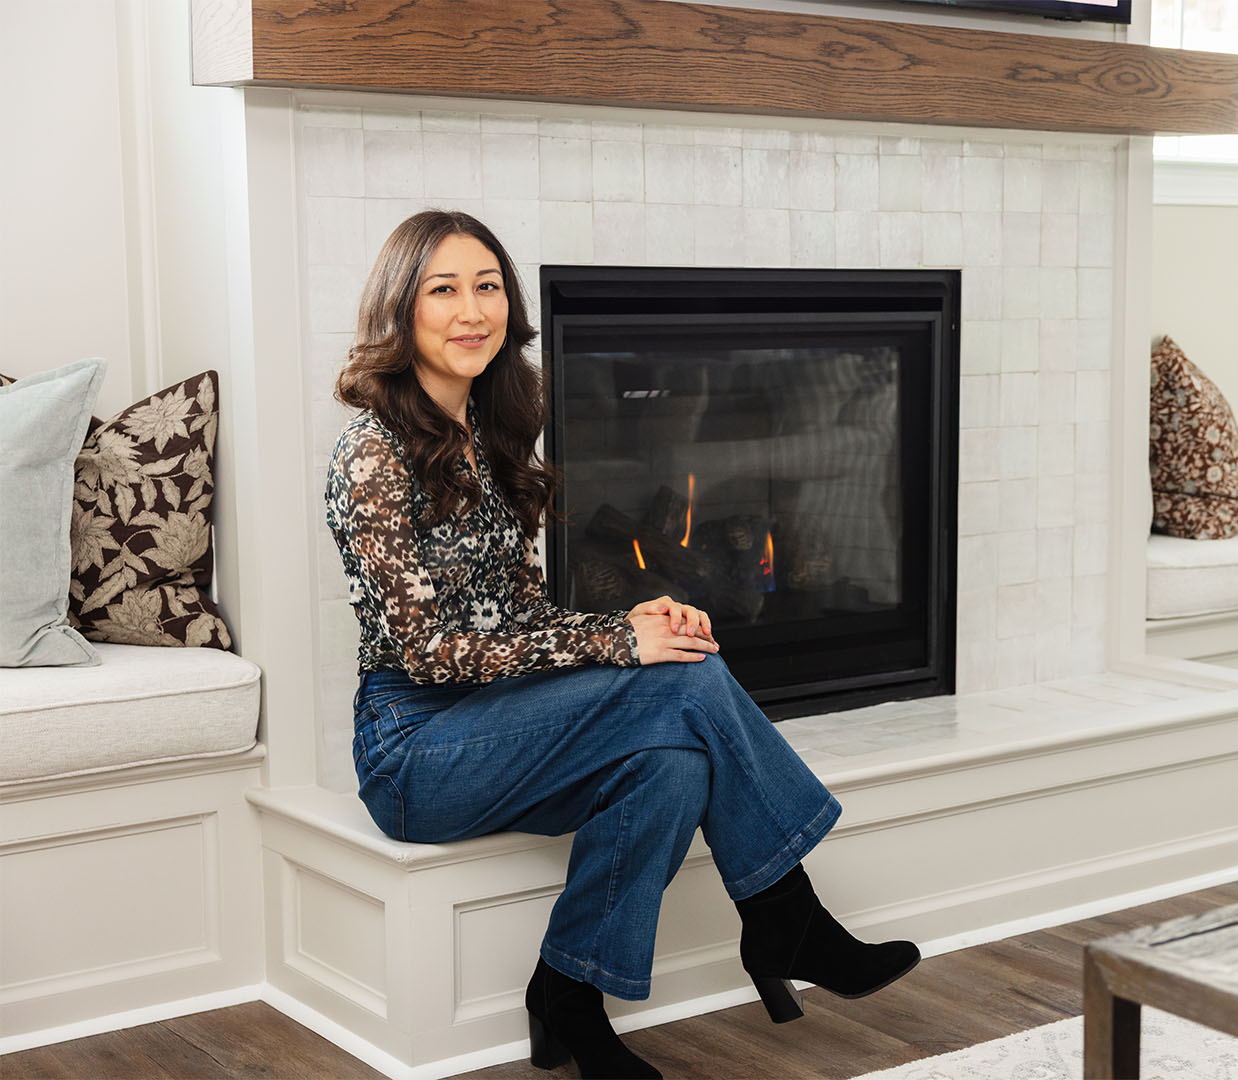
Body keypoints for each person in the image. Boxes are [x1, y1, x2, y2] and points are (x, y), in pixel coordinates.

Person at [325, 210, 919, 1079]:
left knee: (671, 763)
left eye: (487, 287)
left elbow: (520, 622)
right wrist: (617, 641)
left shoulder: (487, 439)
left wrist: (639, 621)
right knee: (683, 683)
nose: (472, 310)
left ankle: (568, 993)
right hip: (415, 751)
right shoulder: (372, 454)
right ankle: (785, 916)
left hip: (502, 723)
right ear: (399, 309)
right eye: (443, 290)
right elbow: (427, 654)